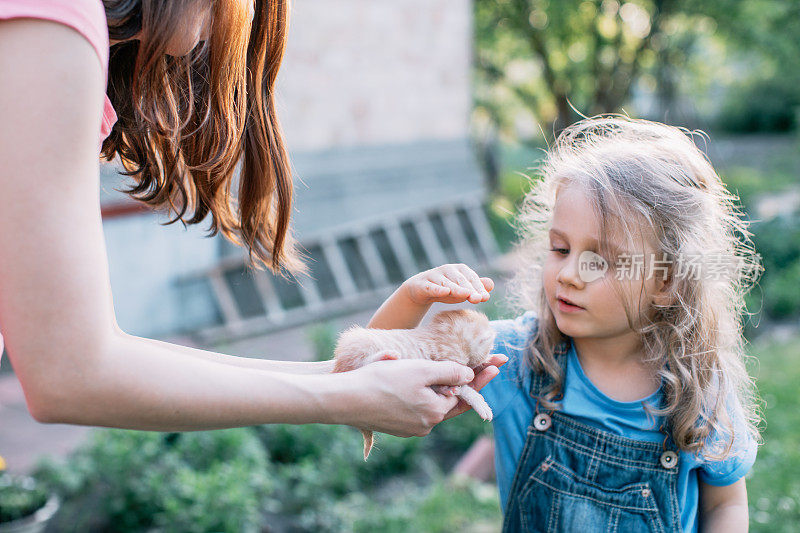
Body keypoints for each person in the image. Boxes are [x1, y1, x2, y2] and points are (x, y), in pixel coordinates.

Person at [0, 0, 503, 437]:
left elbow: (93, 353)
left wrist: (343, 380)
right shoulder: (55, 18)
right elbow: (70, 372)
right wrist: (344, 398)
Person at [372, 116, 763, 532]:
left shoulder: (699, 387)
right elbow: (374, 372)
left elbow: (725, 506)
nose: (569, 274)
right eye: (560, 248)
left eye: (599, 261)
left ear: (665, 282)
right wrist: (411, 298)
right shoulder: (516, 358)